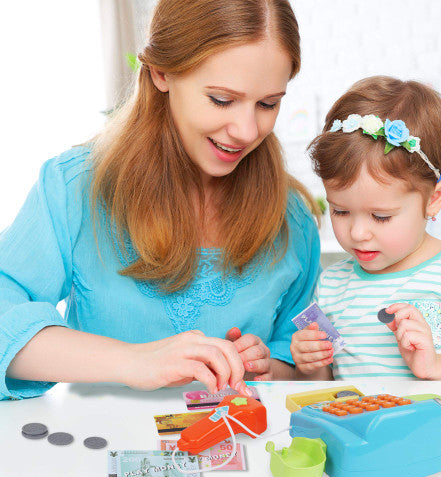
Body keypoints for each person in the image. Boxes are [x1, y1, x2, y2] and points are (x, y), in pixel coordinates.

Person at [0, 0, 321, 401]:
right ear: (161, 72)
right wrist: (135, 361)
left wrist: (270, 367)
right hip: (101, 439)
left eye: (268, 103)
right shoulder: (74, 187)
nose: (246, 130)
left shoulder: (292, 218)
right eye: (222, 99)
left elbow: (301, 358)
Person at [291, 76, 441, 381]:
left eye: (381, 216)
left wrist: (437, 366)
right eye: (340, 211)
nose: (358, 233)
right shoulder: (332, 285)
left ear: (434, 199)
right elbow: (325, 386)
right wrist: (311, 364)